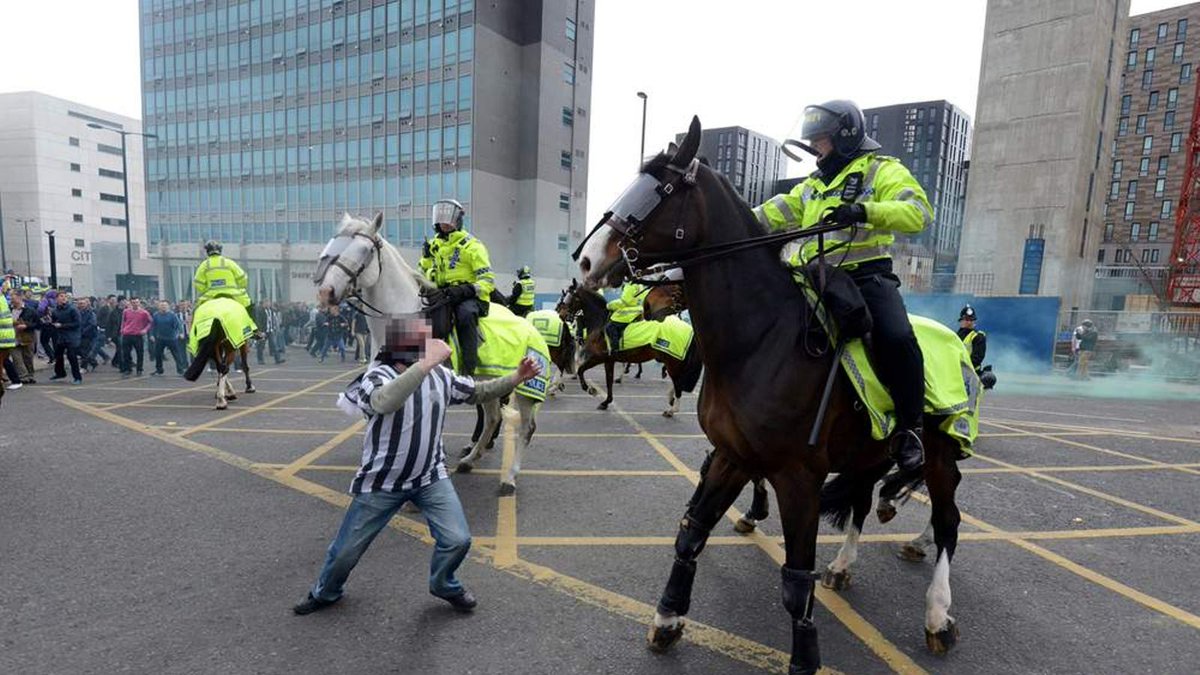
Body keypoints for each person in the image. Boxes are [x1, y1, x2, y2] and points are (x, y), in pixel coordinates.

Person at [292, 315, 542, 616]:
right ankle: (326, 591)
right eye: (423, 341)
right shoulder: (375, 376)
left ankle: (444, 583)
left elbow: (478, 391)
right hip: (382, 482)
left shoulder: (441, 376)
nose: (432, 345)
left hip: (430, 477)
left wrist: (516, 378)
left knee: (457, 540)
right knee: (345, 551)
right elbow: (385, 401)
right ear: (403, 346)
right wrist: (425, 365)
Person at [753, 99, 933, 474]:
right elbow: (772, 213)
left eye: (821, 140)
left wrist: (865, 211)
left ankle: (911, 429)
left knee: (898, 338)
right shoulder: (812, 186)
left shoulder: (881, 170)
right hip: (816, 277)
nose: (816, 149)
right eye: (814, 141)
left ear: (846, 136)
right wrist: (731, 219)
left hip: (867, 276)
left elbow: (918, 212)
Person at [419, 199, 496, 376]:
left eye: (448, 219)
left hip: (470, 297)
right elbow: (422, 273)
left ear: (458, 220)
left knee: (465, 315)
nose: (444, 223)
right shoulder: (434, 246)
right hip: (443, 294)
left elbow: (487, 281)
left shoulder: (473, 246)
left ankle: (468, 370)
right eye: (441, 219)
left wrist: (465, 290)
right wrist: (426, 258)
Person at [193, 240, 262, 339]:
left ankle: (197, 334)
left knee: (197, 311)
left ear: (207, 251)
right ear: (220, 250)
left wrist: (206, 289)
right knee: (250, 307)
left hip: (211, 296)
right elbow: (243, 278)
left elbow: (198, 284)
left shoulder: (204, 265)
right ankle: (254, 331)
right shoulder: (229, 263)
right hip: (234, 294)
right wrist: (241, 286)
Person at [49, 292, 83, 384]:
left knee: (71, 356)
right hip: (61, 337)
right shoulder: (55, 310)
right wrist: (50, 322)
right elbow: (54, 322)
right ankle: (60, 373)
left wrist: (62, 325)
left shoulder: (72, 309)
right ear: (56, 299)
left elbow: (77, 323)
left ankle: (77, 377)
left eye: (65, 296)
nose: (64, 298)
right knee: (58, 355)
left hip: (72, 337)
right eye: (61, 296)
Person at [605, 281, 649, 351]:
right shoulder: (640, 285)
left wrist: (610, 305)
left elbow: (625, 301)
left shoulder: (630, 285)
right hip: (640, 309)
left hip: (629, 313)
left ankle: (615, 350)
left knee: (610, 327)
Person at [150, 300, 187, 376]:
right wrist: (152, 335)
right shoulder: (156, 315)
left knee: (176, 355)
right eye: (162, 305)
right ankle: (159, 370)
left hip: (171, 338)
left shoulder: (172, 315)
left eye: (165, 305)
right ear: (159, 306)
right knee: (158, 354)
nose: (163, 307)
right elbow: (153, 326)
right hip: (160, 338)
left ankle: (180, 370)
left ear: (168, 306)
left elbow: (178, 325)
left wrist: (180, 333)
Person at [119, 298, 153, 377]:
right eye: (133, 302)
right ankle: (127, 369)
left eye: (136, 302)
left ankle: (139, 369)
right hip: (127, 334)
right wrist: (122, 330)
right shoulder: (126, 311)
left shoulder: (144, 312)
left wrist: (145, 330)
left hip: (138, 335)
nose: (135, 304)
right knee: (126, 353)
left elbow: (150, 322)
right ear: (130, 303)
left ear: (139, 303)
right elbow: (123, 321)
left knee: (140, 353)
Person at [11, 295, 38, 384]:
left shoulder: (30, 310)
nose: (12, 300)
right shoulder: (8, 310)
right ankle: (23, 377)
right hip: (13, 337)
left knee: (28, 358)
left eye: (13, 298)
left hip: (27, 337)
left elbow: (38, 324)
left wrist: (26, 326)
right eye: (11, 298)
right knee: (16, 359)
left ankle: (30, 375)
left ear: (20, 298)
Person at [76, 297, 100, 372]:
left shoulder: (91, 313)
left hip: (89, 335)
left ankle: (84, 367)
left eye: (82, 303)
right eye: (79, 303)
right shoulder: (77, 312)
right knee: (77, 350)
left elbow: (92, 324)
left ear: (87, 304)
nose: (81, 305)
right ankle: (93, 362)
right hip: (78, 335)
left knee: (84, 351)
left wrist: (83, 331)